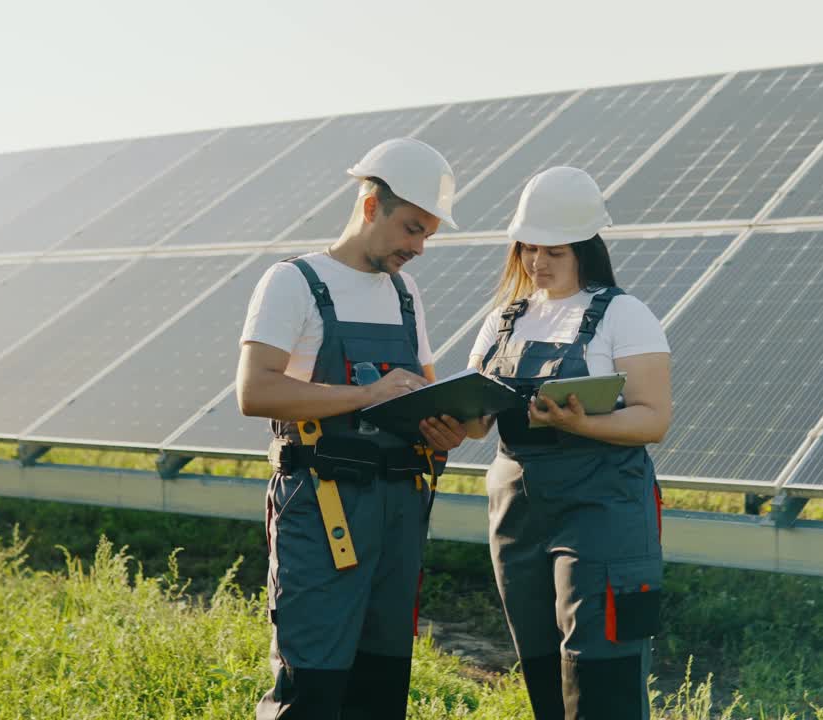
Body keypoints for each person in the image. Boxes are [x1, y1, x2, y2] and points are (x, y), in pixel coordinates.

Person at [237, 137, 468, 720]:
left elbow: (424, 390)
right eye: (412, 229)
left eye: (427, 235)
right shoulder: (292, 282)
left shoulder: (405, 293)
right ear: (371, 206)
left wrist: (447, 428)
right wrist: (365, 395)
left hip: (397, 513)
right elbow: (255, 390)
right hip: (322, 511)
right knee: (309, 688)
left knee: (380, 689)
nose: (418, 247)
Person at [464, 166, 673, 719]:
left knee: (600, 664)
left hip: (601, 504)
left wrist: (581, 425)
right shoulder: (501, 321)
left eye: (553, 251)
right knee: (541, 664)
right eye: (528, 248)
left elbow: (653, 419)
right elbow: (475, 418)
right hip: (516, 508)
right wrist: (447, 420)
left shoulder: (624, 315)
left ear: (585, 247)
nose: (536, 263)